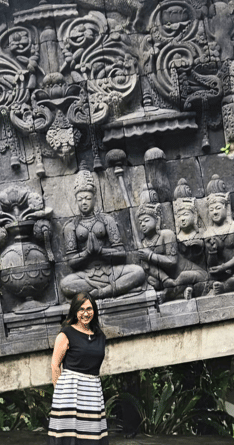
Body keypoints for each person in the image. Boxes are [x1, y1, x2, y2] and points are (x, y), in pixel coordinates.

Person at [60, 169, 146, 299]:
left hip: (111, 271)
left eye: (88, 198)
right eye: (80, 199)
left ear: (95, 199)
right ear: (76, 201)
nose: (84, 202)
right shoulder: (71, 226)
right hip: (86, 274)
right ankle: (116, 288)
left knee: (138, 272)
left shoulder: (107, 220)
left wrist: (101, 251)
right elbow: (71, 262)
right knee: (65, 284)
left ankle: (103, 292)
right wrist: (87, 253)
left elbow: (121, 253)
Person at [48, 292, 109, 445]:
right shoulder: (66, 333)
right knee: (69, 437)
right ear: (75, 311)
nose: (85, 313)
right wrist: (59, 396)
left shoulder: (100, 336)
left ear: (94, 310)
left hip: (92, 392)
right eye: (81, 309)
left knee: (91, 437)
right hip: (70, 392)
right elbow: (55, 364)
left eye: (89, 309)